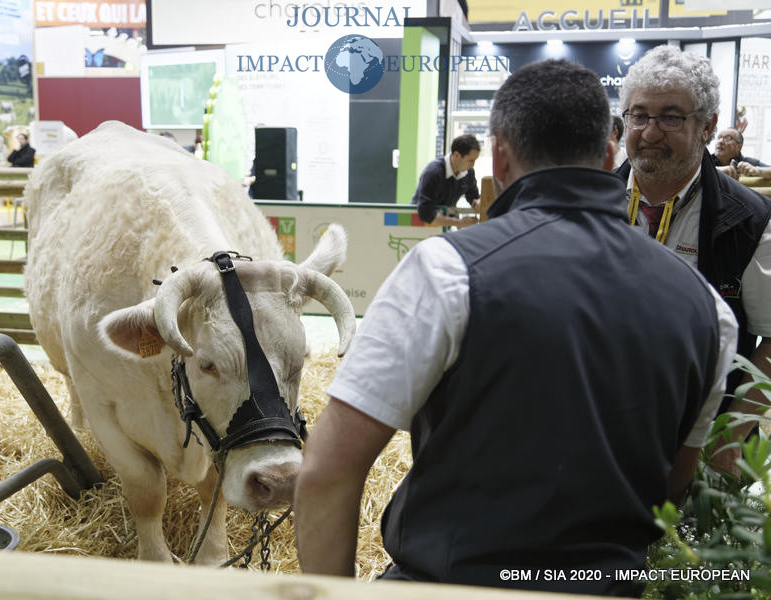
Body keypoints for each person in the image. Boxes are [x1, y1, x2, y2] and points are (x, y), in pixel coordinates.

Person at [294, 59, 738, 597]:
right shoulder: (708, 311)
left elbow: (325, 472)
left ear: (499, 157)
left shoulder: (445, 273)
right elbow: (672, 484)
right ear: (607, 155)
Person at [615, 45, 771, 473]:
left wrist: (732, 435)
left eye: (671, 117)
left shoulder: (751, 220)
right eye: (639, 115)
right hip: (596, 431)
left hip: (702, 444)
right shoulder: (588, 203)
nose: (649, 132)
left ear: (708, 127)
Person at [411, 133, 480, 229]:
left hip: (442, 225)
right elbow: (426, 213)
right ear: (457, 155)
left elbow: (473, 197)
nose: (473, 165)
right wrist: (459, 223)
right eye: (471, 160)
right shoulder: (433, 172)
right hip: (418, 225)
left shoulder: (468, 172)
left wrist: (478, 204)